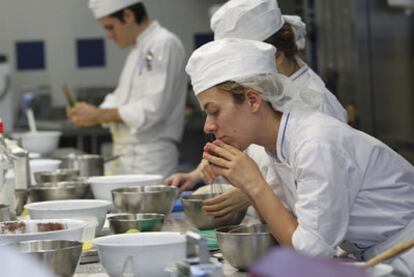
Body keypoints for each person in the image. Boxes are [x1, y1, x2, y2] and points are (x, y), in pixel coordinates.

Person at [185, 38, 414, 276]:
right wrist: (245, 182)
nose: (208, 126)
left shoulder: (316, 142)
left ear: (253, 100)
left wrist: (255, 185)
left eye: (214, 112)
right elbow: (286, 227)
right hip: (375, 256)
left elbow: (311, 252)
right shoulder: (275, 147)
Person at [164, 0, 346, 217]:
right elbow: (251, 145)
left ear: (276, 54)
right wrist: (199, 173)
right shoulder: (267, 96)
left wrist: (250, 193)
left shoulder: (316, 105)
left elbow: (319, 192)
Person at [67, 0, 186, 177]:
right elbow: (120, 97)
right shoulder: (138, 49)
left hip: (150, 159)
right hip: (125, 156)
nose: (109, 35)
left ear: (128, 15)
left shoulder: (163, 44)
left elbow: (153, 109)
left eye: (110, 27)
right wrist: (89, 114)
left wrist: (99, 115)